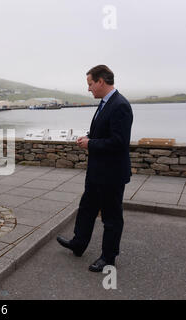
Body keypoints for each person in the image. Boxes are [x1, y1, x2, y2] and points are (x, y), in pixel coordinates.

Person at [57, 65, 133, 272]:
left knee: (111, 218)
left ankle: (108, 258)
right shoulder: (105, 103)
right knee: (86, 210)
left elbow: (119, 142)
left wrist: (90, 144)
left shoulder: (120, 105)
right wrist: (89, 138)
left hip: (112, 174)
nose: (89, 89)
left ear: (101, 81)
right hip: (96, 172)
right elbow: (103, 134)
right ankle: (78, 244)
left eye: (90, 84)